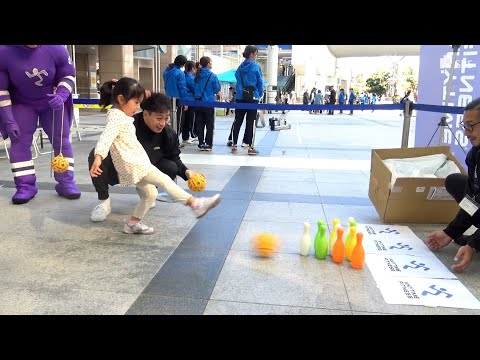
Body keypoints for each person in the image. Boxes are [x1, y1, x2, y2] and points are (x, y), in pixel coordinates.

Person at [90, 77, 221, 234]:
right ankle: (195, 204)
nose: (138, 107)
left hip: (135, 163)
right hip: (134, 163)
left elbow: (132, 100)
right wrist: (98, 157)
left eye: (139, 102)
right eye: (136, 103)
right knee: (165, 181)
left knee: (151, 194)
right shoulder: (116, 118)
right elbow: (106, 137)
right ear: (121, 99)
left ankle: (132, 223)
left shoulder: (121, 113)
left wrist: (137, 91)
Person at [0, 45, 81, 204]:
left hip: (52, 101)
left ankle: (66, 183)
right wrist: (8, 119)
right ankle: (25, 186)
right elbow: (1, 90)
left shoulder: (57, 48)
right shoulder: (4, 51)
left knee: (62, 140)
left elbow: (68, 75)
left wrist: (62, 95)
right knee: (19, 142)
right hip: (21, 103)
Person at [426, 97, 480, 271]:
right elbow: (471, 199)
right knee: (455, 182)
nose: (466, 133)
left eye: (471, 125)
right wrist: (450, 232)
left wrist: (473, 245)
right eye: (465, 126)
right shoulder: (475, 154)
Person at [230, 45, 264, 156]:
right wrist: (258, 94)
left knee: (237, 121)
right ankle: (250, 147)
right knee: (251, 122)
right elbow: (260, 82)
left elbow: (237, 78)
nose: (256, 56)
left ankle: (234, 145)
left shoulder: (240, 67)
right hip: (252, 98)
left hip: (240, 97)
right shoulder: (256, 67)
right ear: (251, 54)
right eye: (256, 54)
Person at [193, 56, 221, 151]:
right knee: (209, 125)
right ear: (208, 64)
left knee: (199, 124)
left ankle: (201, 143)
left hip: (198, 103)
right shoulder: (212, 76)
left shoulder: (197, 75)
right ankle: (208, 144)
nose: (211, 64)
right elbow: (217, 89)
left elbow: (194, 88)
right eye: (211, 62)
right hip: (209, 103)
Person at [163, 55, 189, 144]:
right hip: (178, 99)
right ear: (182, 64)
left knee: (169, 120)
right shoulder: (179, 73)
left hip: (168, 98)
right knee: (179, 121)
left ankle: (169, 139)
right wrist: (185, 101)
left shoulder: (166, 72)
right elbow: (182, 88)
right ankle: (175, 141)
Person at [183, 60, 198, 143]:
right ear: (192, 68)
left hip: (186, 100)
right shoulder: (190, 77)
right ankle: (191, 134)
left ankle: (186, 136)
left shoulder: (184, 75)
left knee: (186, 119)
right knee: (191, 119)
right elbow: (194, 89)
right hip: (191, 100)